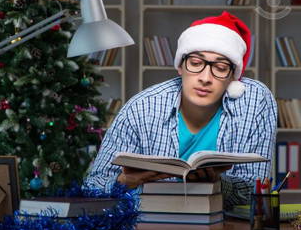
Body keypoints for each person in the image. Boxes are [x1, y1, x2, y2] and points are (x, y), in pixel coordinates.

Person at [84, 11, 277, 209]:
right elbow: (92, 187)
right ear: (180, 66)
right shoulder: (142, 107)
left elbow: (258, 191)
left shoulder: (255, 101)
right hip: (149, 225)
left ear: (232, 77)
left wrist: (218, 185)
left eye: (219, 68)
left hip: (223, 228)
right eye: (195, 63)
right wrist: (124, 182)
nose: (205, 77)